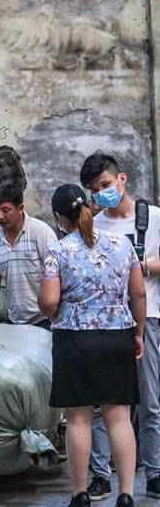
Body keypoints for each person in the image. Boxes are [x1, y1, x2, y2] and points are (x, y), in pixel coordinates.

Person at [38, 184, 146, 507]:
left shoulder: (58, 251)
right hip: (118, 337)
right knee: (119, 417)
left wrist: (51, 309)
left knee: (79, 419)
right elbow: (138, 294)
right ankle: (126, 494)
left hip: (74, 339)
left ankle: (80, 494)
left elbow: (49, 300)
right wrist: (138, 333)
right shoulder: (123, 245)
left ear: (59, 217)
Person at [81, 152, 160, 500]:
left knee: (150, 401)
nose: (101, 195)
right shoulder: (95, 227)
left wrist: (141, 266)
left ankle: (155, 471)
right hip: (106, 322)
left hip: (149, 317)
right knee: (101, 405)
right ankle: (101, 474)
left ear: (122, 179)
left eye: (106, 185)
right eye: (95, 191)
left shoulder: (153, 218)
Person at [0, 184, 57, 329]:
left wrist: (54, 309)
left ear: (20, 208)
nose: (0, 216)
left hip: (46, 320)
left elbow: (58, 274)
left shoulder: (40, 232)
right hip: (16, 322)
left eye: (5, 210)